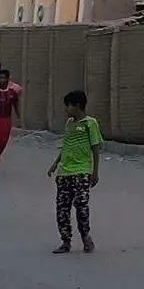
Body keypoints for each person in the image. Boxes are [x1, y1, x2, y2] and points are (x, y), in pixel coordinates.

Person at [47, 89, 102, 254]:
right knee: (62, 208)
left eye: (68, 106)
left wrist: (95, 172)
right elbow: (66, 146)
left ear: (77, 106)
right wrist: (55, 164)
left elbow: (95, 148)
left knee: (81, 206)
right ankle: (65, 240)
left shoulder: (90, 123)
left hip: (82, 171)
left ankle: (85, 236)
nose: (66, 110)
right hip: (65, 172)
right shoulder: (69, 124)